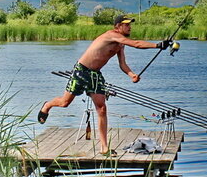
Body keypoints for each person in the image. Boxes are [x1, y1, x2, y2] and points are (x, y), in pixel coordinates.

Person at [37, 15, 172, 156]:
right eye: (126, 24)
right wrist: (157, 45)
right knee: (65, 103)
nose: (129, 27)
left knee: (101, 109)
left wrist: (131, 74)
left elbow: (122, 64)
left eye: (130, 24)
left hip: (95, 74)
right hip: (81, 71)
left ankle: (104, 147)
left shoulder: (120, 44)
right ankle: (47, 105)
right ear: (118, 26)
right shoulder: (112, 35)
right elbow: (137, 44)